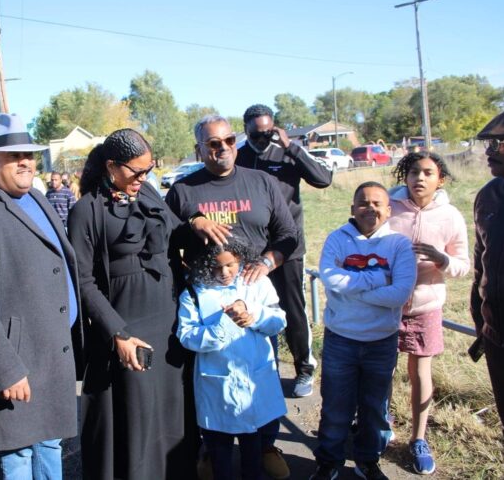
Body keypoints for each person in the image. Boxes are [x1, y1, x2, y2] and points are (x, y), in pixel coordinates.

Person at [67, 128, 223, 480]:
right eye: (136, 172)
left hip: (168, 321)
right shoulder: (86, 211)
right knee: (137, 419)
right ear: (111, 166)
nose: (143, 178)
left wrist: (196, 223)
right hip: (128, 328)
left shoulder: (149, 193)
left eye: (148, 170)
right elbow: (83, 282)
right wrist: (117, 334)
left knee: (174, 413)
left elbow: (173, 235)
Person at [0, 113, 82, 479]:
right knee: (18, 455)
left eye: (29, 154)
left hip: (49, 355)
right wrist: (6, 370)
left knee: (49, 443)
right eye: (12, 156)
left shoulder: (36, 198)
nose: (25, 162)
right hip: (16, 364)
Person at [165, 114, 297, 480]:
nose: (222, 148)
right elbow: (165, 238)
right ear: (199, 149)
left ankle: (267, 446)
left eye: (228, 141)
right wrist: (192, 221)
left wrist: (268, 263)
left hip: (253, 288)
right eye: (212, 143)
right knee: (210, 385)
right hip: (206, 298)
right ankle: (209, 451)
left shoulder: (261, 182)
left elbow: (288, 233)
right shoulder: (184, 190)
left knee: (259, 378)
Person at [310, 182, 416, 480]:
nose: (370, 208)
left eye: (377, 203)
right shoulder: (337, 239)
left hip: (381, 342)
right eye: (363, 203)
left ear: (388, 209)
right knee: (335, 406)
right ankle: (328, 460)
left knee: (374, 409)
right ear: (353, 209)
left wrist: (352, 289)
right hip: (340, 339)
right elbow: (330, 278)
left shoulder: (399, 244)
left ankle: (367, 460)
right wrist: (380, 279)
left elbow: (399, 295)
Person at [236, 104, 333, 399]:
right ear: (246, 130)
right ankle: (266, 371)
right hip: (252, 248)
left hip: (287, 247)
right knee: (253, 308)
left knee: (293, 309)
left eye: (268, 132)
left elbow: (323, 179)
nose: (263, 138)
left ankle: (304, 367)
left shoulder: (286, 153)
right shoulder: (239, 157)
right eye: (256, 133)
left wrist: (292, 148)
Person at [177, 238, 287, 480]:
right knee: (220, 450)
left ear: (241, 260)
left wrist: (253, 315)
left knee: (253, 450)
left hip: (253, 381)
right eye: (216, 267)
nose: (224, 273)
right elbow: (186, 336)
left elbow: (279, 320)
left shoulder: (256, 282)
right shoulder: (195, 293)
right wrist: (223, 326)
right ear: (205, 264)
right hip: (217, 384)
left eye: (231, 265)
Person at [388, 152, 470, 475]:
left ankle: (418, 439)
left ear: (441, 179)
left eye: (427, 172)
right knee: (383, 369)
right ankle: (382, 424)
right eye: (412, 172)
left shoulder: (450, 216)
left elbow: (464, 264)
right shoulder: (389, 207)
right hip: (387, 304)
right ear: (404, 176)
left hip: (427, 306)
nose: (419, 178)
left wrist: (441, 259)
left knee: (421, 372)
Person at [471, 110, 504, 440]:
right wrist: (481, 325)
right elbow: (480, 267)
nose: (489, 151)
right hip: (498, 335)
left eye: (499, 143)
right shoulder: (489, 195)